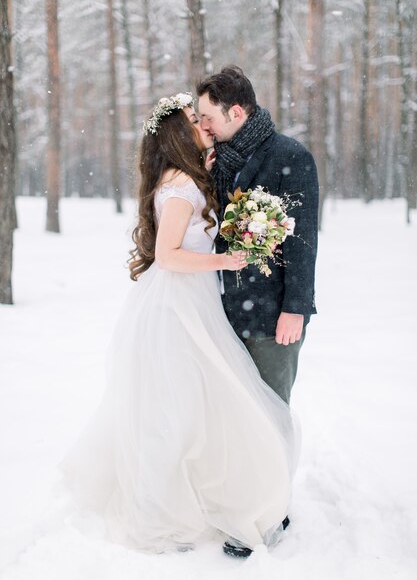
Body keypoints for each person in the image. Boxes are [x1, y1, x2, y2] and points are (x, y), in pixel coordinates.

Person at [60, 93, 300, 558]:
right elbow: (168, 255)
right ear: (178, 132)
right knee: (179, 409)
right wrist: (227, 257)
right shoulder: (178, 185)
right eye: (195, 119)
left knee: (197, 405)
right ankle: (168, 508)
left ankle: (208, 491)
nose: (204, 124)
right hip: (176, 308)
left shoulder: (190, 177)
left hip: (194, 300)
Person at [197, 66, 319, 405]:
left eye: (207, 117)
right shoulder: (212, 161)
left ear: (235, 112)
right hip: (220, 314)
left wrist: (295, 308)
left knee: (271, 412)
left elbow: (303, 240)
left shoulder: (291, 157)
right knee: (232, 418)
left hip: (271, 318)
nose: (202, 125)